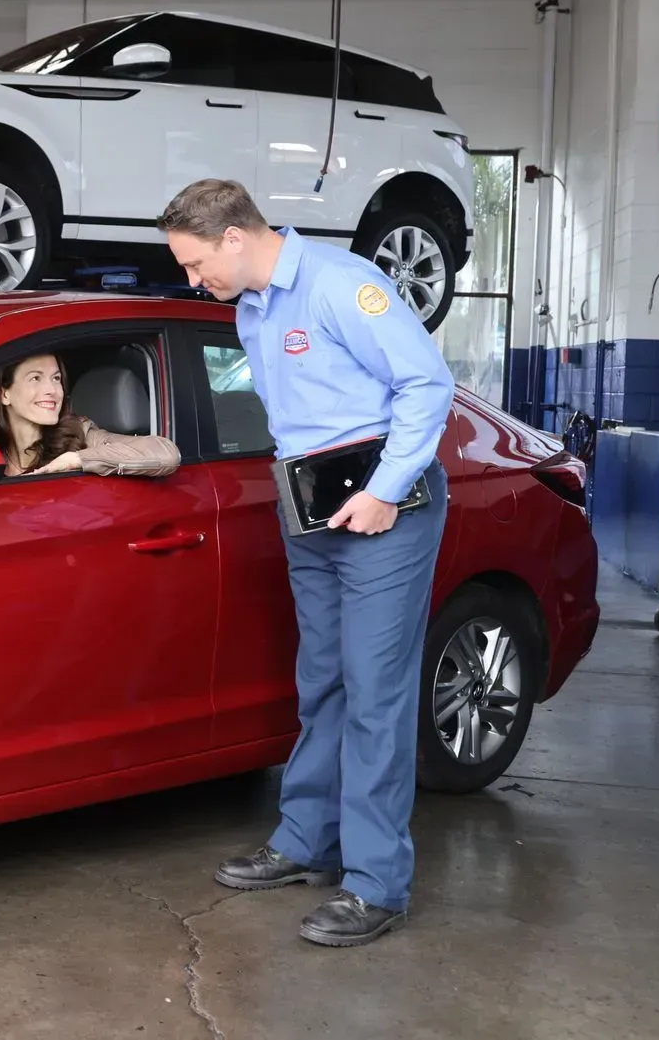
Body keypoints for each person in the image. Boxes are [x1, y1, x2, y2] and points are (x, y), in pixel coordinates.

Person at [159, 178, 455, 949]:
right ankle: (305, 839)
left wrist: (387, 490)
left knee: (374, 691)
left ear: (233, 236)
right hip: (311, 507)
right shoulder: (252, 307)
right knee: (320, 678)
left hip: (383, 508)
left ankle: (374, 883)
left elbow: (427, 383)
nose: (194, 281)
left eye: (195, 264)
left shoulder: (340, 284)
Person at [0, 353, 181, 478]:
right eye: (36, 378)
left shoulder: (78, 434)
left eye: (56, 378)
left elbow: (165, 453)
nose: (52, 390)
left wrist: (77, 459)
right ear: (4, 394)